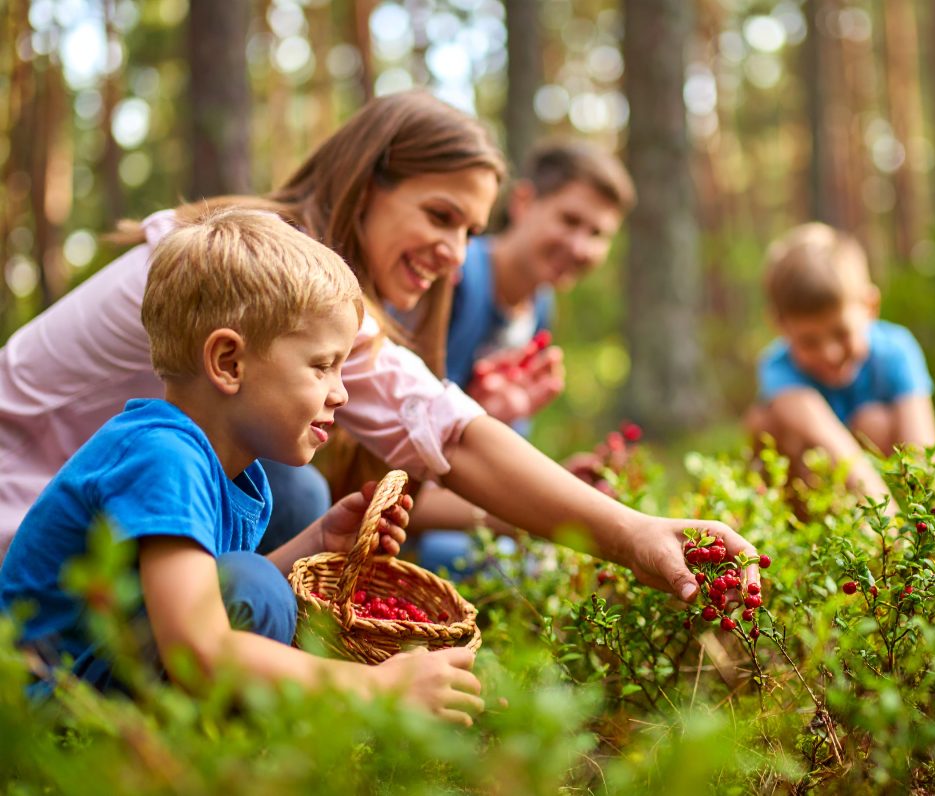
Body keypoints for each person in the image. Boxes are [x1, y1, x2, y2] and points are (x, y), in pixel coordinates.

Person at [0, 90, 759, 612]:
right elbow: (451, 432)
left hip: (103, 537)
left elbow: (437, 428)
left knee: (297, 495)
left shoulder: (297, 287)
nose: (457, 255)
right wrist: (630, 534)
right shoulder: (266, 275)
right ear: (366, 188)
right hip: (26, 535)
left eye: (469, 229)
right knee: (293, 492)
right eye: (440, 214)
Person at [0, 210, 484, 725]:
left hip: (94, 676)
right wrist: (375, 687)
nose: (340, 393)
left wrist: (318, 541)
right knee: (256, 585)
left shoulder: (226, 469)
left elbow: (207, 598)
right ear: (229, 362)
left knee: (257, 584)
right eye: (322, 366)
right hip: (42, 706)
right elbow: (198, 644)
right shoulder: (162, 458)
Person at [407, 140, 636, 571]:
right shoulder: (452, 279)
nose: (580, 247)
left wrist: (556, 487)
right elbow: (385, 480)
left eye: (598, 234)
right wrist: (531, 512)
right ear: (524, 202)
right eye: (569, 220)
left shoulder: (540, 308)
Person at [745, 222, 935, 509]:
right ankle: (803, 534)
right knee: (764, 424)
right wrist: (889, 524)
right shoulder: (778, 368)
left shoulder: (896, 350)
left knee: (874, 422)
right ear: (780, 326)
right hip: (828, 482)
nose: (830, 353)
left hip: (880, 484)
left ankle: (886, 529)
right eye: (809, 342)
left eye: (841, 333)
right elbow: (836, 449)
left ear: (870, 307)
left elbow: (924, 449)